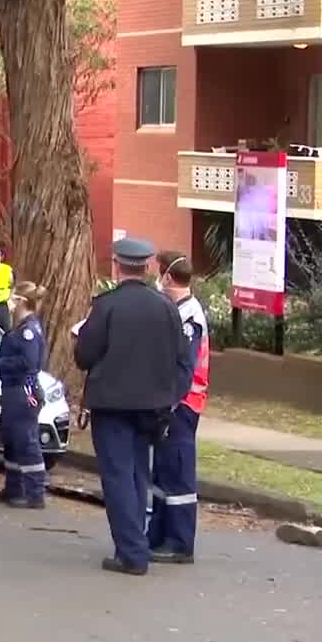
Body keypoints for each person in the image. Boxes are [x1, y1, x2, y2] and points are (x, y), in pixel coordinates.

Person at [74, 238, 192, 576]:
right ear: (147, 267)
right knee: (139, 473)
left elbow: (84, 356)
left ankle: (131, 552)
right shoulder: (166, 307)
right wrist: (171, 396)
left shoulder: (106, 306)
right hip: (153, 407)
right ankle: (134, 542)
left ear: (116, 265)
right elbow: (183, 359)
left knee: (118, 477)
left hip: (112, 405)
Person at [148, 251, 209, 564]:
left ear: (168, 277)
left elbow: (183, 369)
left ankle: (179, 541)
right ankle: (158, 534)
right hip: (172, 402)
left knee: (178, 473)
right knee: (163, 472)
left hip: (182, 405)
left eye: (159, 273)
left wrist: (168, 403)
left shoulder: (188, 318)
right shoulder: (180, 311)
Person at [0, 282, 49, 509]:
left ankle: (35, 494)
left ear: (22, 302)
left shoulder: (28, 330)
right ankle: (14, 488)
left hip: (24, 389)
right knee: (12, 440)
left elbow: (28, 362)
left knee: (26, 440)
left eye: (13, 299)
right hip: (12, 388)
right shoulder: (20, 326)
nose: (9, 304)